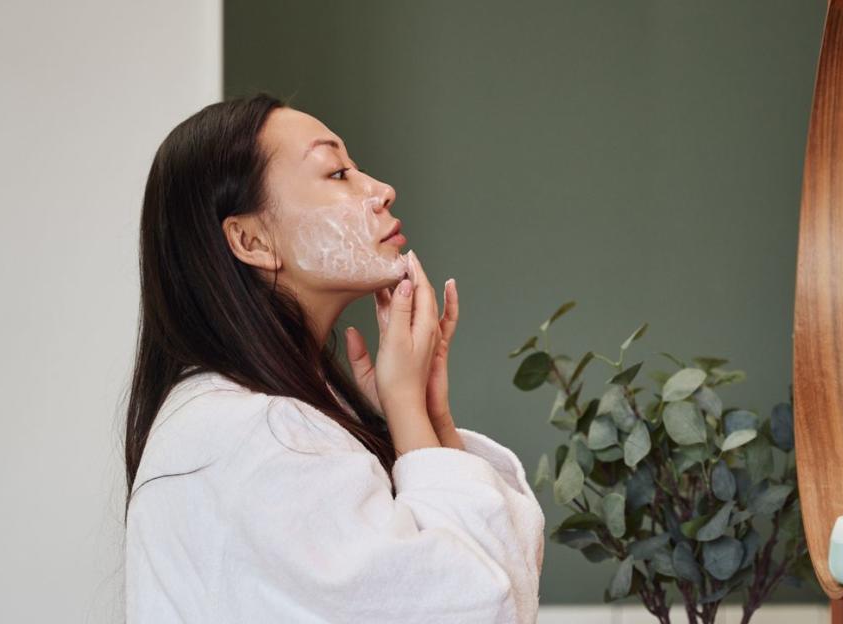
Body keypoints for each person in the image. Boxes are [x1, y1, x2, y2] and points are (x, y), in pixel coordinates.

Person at [123, 93, 544, 623]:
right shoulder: (252, 434)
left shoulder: (252, 420)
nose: (381, 190)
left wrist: (427, 419)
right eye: (337, 173)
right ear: (252, 240)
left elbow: (500, 586)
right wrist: (408, 407)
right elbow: (474, 610)